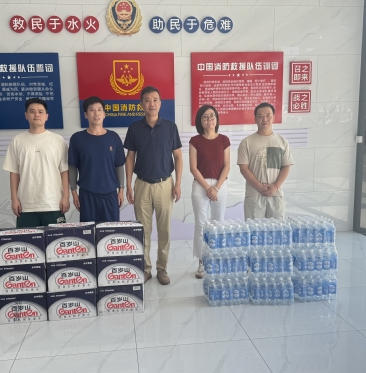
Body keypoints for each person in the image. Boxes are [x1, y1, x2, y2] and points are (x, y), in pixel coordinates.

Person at [124, 86, 183, 285]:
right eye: (147, 100)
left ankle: (162, 269)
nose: (152, 104)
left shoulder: (170, 127)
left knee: (164, 230)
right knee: (143, 230)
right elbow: (130, 157)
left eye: (155, 100)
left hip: (165, 185)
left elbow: (178, 156)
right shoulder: (134, 128)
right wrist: (129, 185)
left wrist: (178, 183)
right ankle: (146, 268)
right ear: (141, 104)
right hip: (142, 184)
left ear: (160, 103)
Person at [3, 98, 70, 227]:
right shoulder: (17, 141)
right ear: (26, 115)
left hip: (53, 203)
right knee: (26, 240)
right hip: (26, 205)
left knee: (56, 239)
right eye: (32, 111)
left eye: (40, 112)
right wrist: (14, 199)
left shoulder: (58, 140)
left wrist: (66, 197)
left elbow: (64, 171)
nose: (36, 115)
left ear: (46, 116)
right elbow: (14, 173)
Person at [68, 96, 125, 222]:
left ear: (104, 114)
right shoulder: (77, 139)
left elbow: (119, 165)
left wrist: (121, 190)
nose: (96, 113)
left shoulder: (114, 137)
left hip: (110, 194)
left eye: (99, 109)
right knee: (89, 232)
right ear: (86, 115)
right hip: (87, 195)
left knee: (110, 232)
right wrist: (74, 192)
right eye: (92, 110)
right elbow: (73, 167)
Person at [189, 105, 230, 279]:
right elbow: (193, 168)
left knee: (218, 223)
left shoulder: (224, 140)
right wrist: (208, 188)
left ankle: (216, 259)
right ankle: (201, 261)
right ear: (200, 121)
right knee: (201, 224)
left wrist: (216, 188)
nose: (209, 120)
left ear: (217, 119)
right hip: (201, 185)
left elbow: (227, 166)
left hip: (220, 185)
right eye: (205, 117)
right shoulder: (195, 141)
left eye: (212, 116)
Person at [238, 102, 294, 219]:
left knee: (277, 228)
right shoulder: (246, 142)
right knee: (254, 229)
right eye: (260, 116)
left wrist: (276, 186)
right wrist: (259, 186)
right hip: (254, 194)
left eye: (268, 115)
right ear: (255, 119)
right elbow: (243, 168)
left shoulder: (282, 142)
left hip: (276, 194)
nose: (264, 119)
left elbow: (286, 166)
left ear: (274, 117)